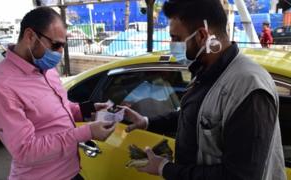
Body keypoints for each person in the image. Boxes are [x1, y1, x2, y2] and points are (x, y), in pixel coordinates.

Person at [120, 0, 286, 179]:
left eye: (176, 38)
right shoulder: (205, 70)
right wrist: (147, 121)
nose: (171, 44)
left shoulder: (248, 87)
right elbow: (199, 116)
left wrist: (165, 168)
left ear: (201, 36)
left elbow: (239, 176)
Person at [0, 7, 115, 180]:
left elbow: (59, 111)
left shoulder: (47, 69)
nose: (59, 53)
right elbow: (25, 150)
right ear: (30, 37)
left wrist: (88, 109)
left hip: (71, 171)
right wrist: (87, 132)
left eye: (63, 46)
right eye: (56, 45)